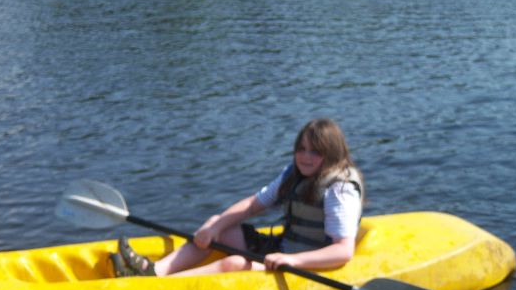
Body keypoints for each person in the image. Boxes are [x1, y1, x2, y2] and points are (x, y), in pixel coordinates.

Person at [110, 118, 364, 277]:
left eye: (315, 152)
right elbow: (253, 205)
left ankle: (156, 288)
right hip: (285, 251)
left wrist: (292, 260)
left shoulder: (340, 190)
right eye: (301, 149)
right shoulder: (294, 174)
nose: (305, 157)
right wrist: (214, 227)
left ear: (331, 155)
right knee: (217, 225)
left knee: (234, 264)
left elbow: (343, 251)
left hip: (309, 264)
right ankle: (155, 271)